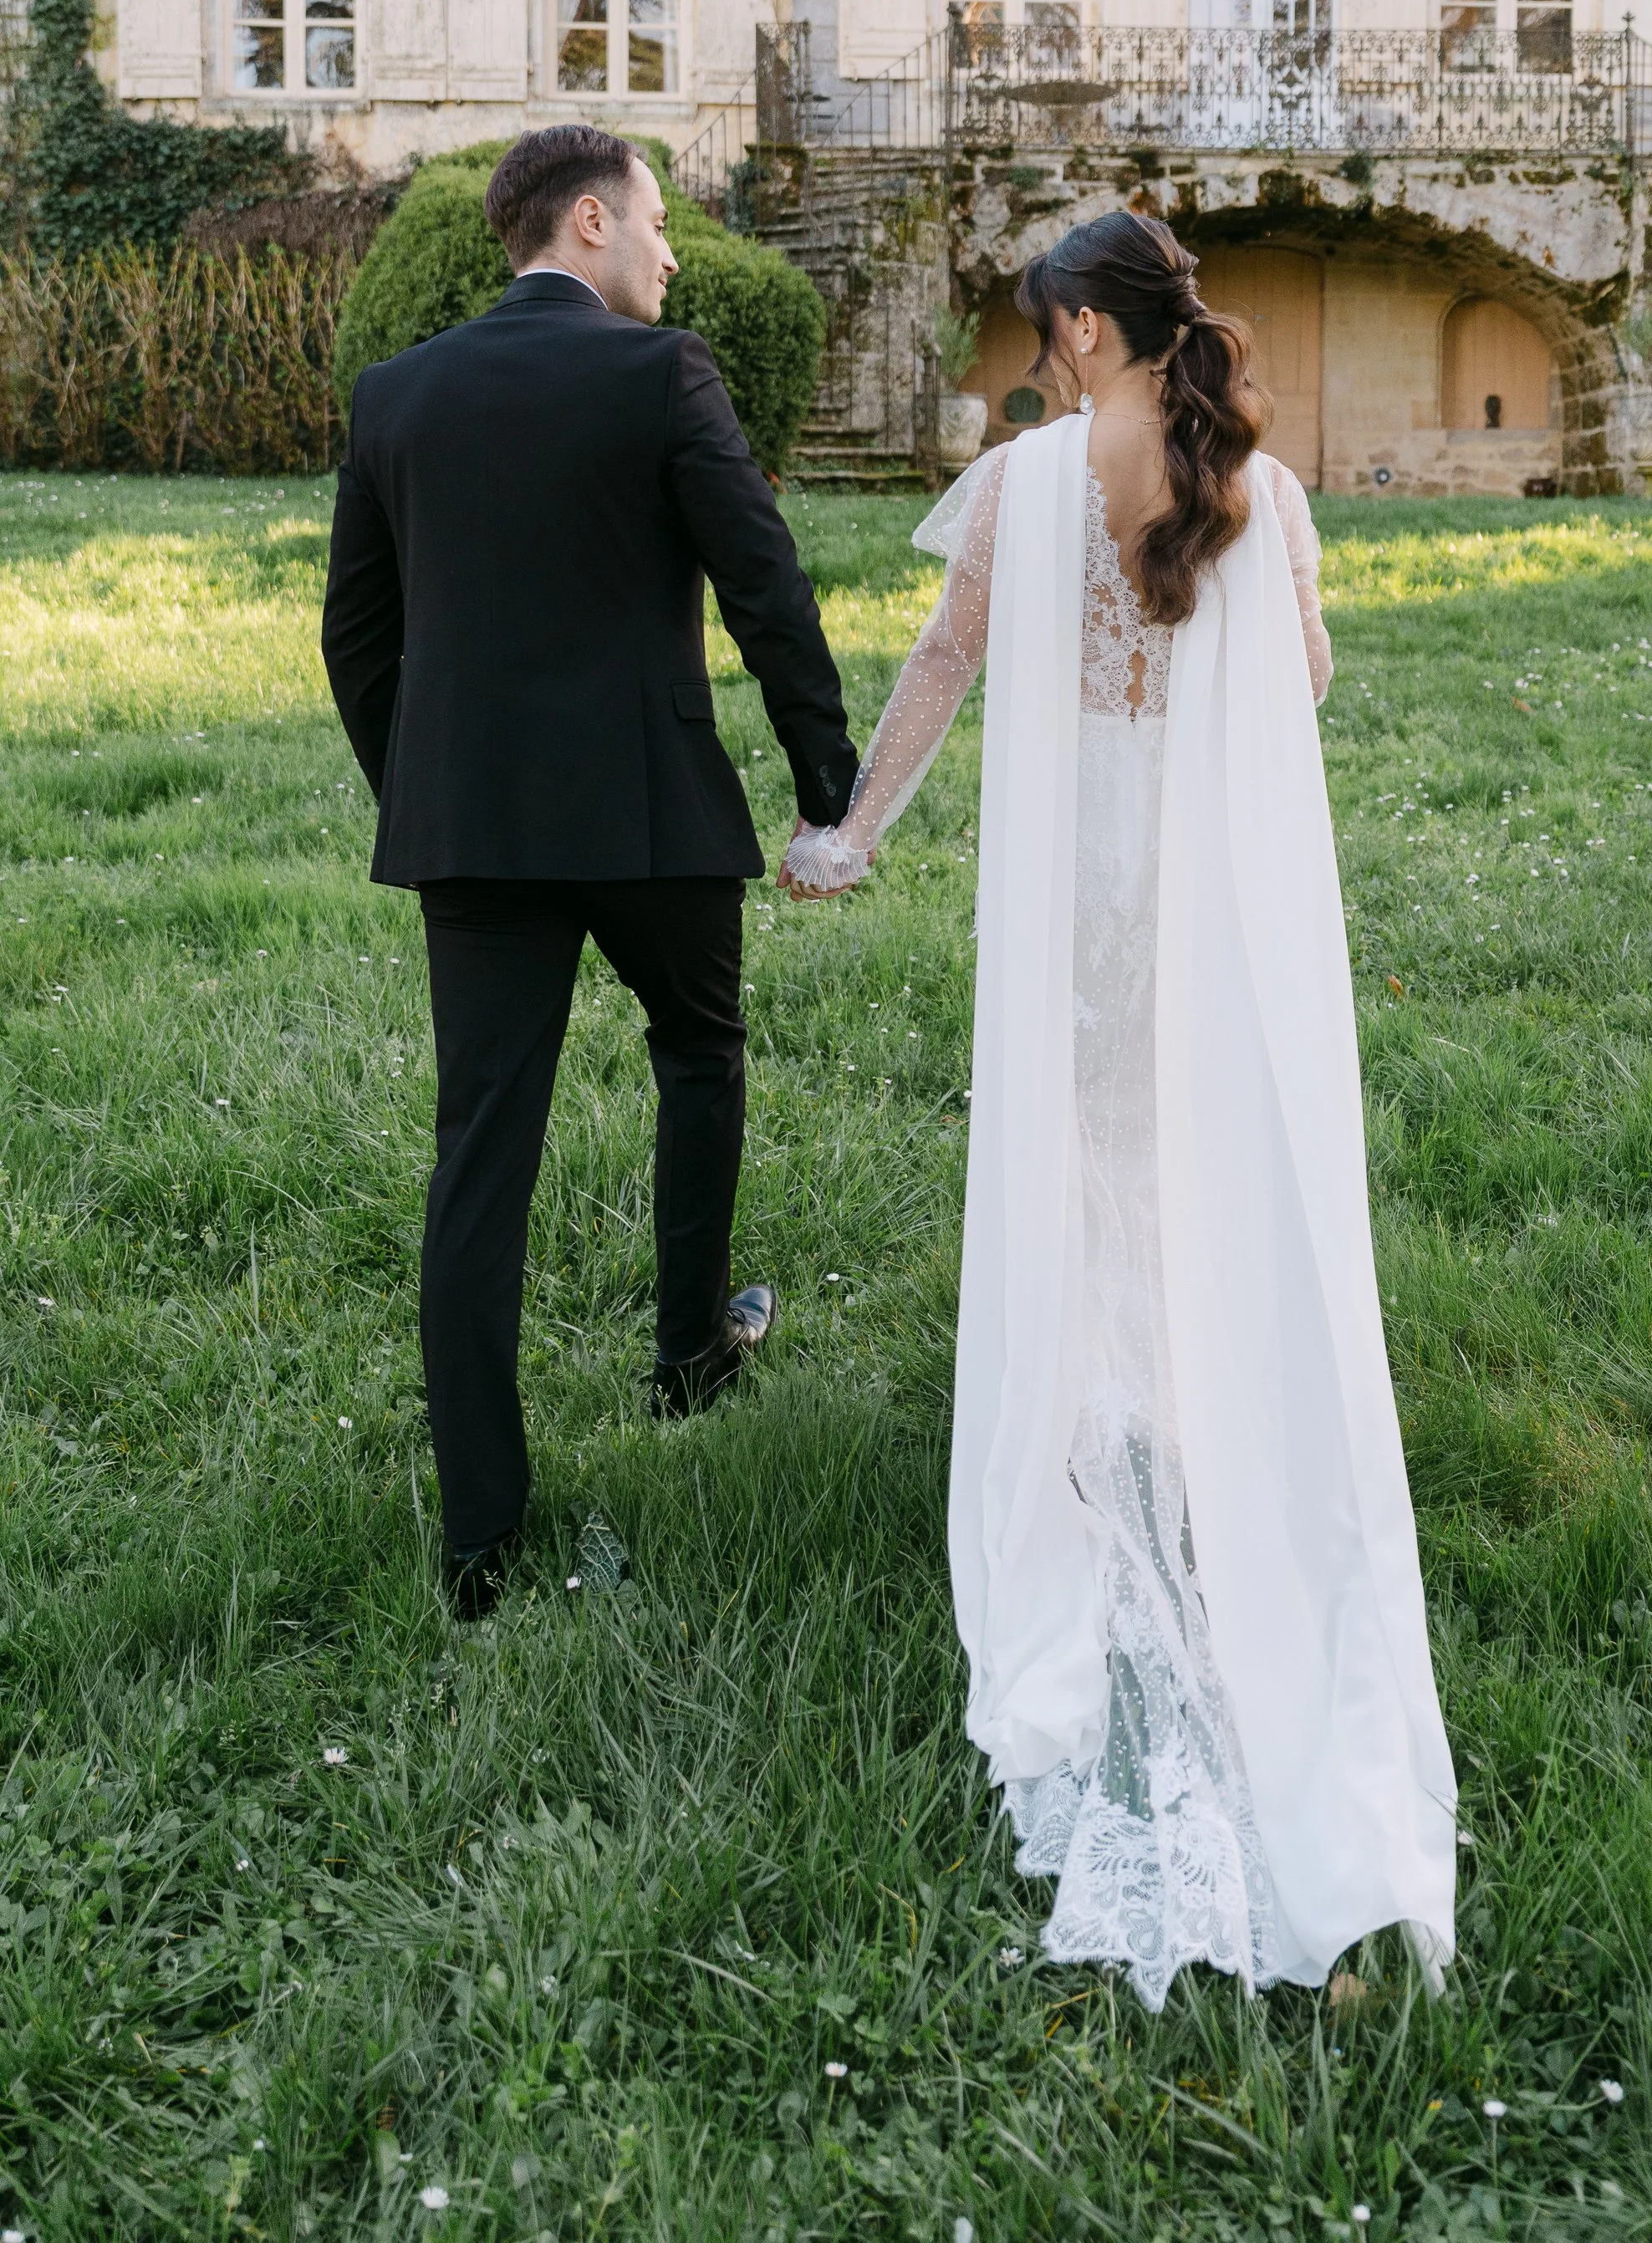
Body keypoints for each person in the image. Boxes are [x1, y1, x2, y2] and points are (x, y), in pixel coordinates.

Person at [783, 212, 1456, 2008]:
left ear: (1084, 328)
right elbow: (1308, 680)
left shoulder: (1019, 490)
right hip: (1199, 895)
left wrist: (851, 834)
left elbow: (943, 665)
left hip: (1074, 900)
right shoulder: (1264, 488)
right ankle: (1183, 1398)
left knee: (1084, 1158)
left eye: (1043, 325)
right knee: (1178, 1155)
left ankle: (1102, 1414)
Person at [322, 125, 858, 1619]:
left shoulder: (396, 395)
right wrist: (829, 788)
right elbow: (764, 582)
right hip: (648, 817)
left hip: (476, 833)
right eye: (658, 220)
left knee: (481, 1150)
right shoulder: (664, 373)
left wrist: (430, 792)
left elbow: (355, 639)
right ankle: (690, 1351)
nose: (673, 251)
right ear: (588, 223)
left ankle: (478, 1541)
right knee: (699, 1047)